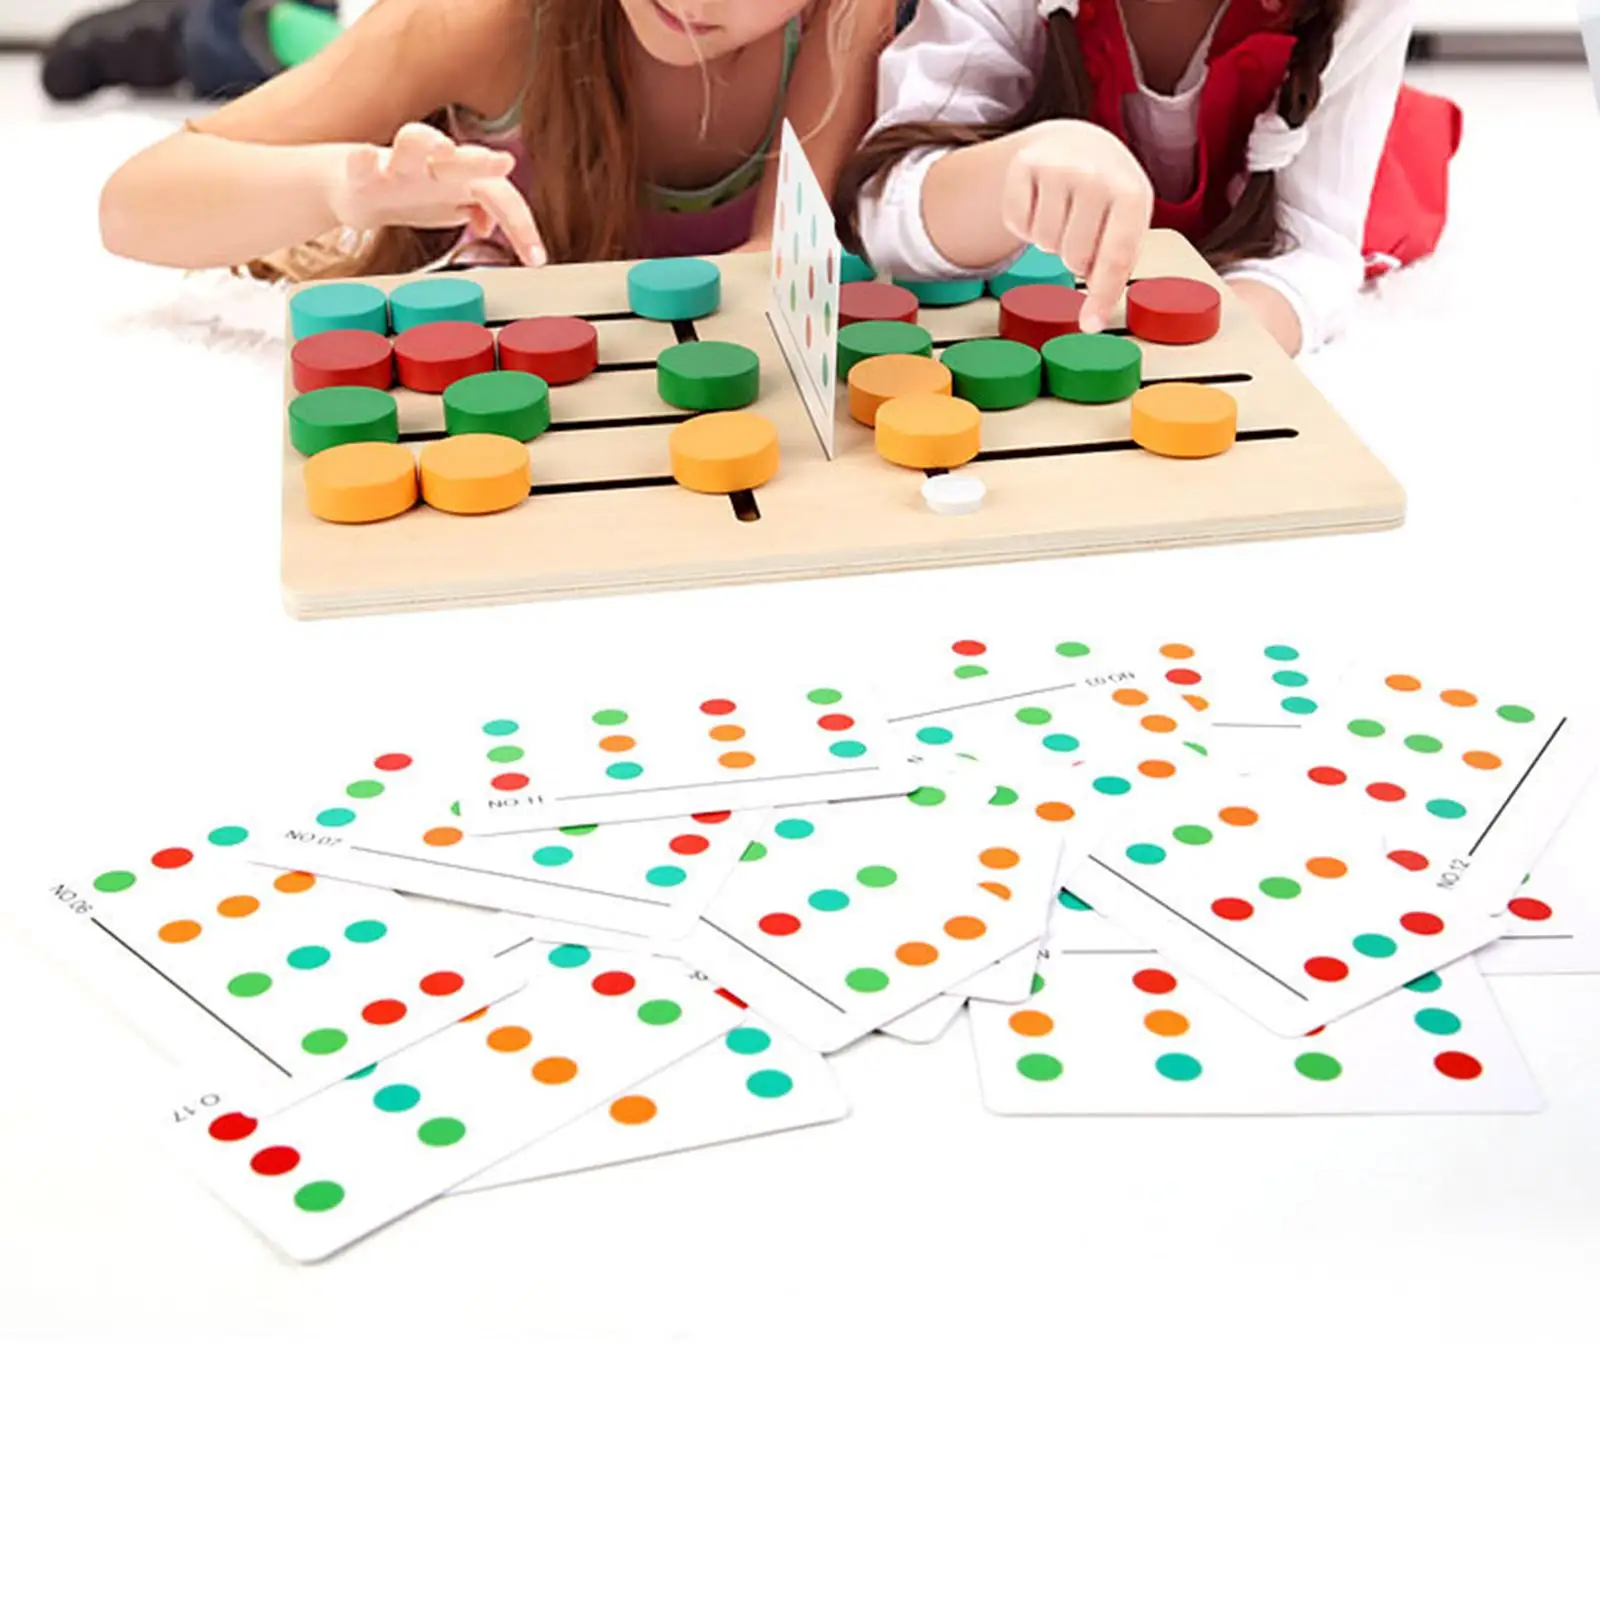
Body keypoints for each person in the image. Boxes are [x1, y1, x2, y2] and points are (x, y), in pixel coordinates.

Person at [99, 0, 895, 278]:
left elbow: (772, 263)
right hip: (395, 35)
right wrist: (343, 184)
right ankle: (212, 25)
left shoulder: (846, 18)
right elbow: (131, 206)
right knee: (247, 40)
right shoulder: (471, 20)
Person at [839, 0, 1458, 354]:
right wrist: (1011, 173)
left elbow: (1314, 247)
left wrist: (1187, 346)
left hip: (1296, 183)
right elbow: (886, 202)